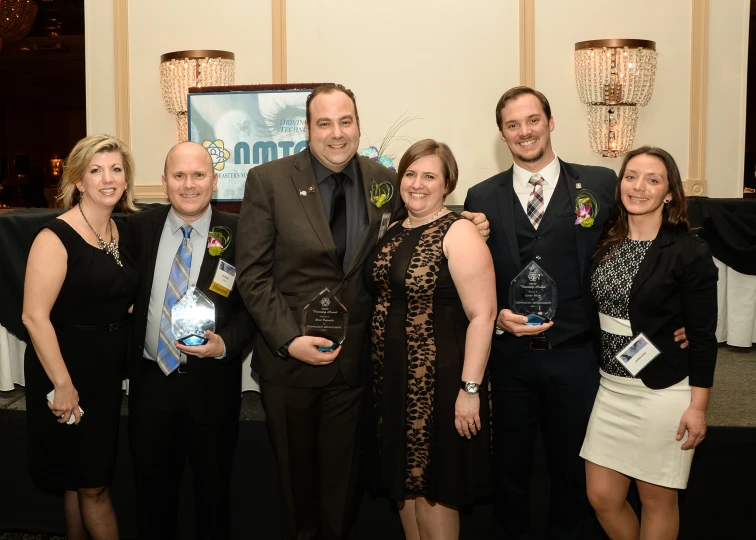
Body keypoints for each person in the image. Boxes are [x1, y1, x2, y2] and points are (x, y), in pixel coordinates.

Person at [236, 83, 488, 539]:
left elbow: (421, 221)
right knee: (297, 491)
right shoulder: (268, 180)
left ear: (358, 124)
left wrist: (467, 221)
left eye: (345, 121)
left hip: (357, 370)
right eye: (325, 123)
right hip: (288, 364)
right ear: (308, 128)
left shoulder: (383, 180)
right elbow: (252, 274)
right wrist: (290, 339)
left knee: (343, 493)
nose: (337, 133)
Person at [464, 86, 617, 539]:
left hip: (576, 355)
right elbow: (472, 281)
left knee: (573, 471)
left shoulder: (600, 183)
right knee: (509, 471)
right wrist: (494, 319)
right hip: (511, 359)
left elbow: (637, 253)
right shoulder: (480, 197)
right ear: (502, 134)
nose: (524, 131)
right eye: (513, 125)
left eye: (532, 120)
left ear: (550, 122)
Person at [580, 146, 717, 540]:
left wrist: (698, 407)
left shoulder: (689, 250)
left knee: (658, 501)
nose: (639, 187)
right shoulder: (607, 241)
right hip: (610, 388)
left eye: (653, 180)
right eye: (631, 176)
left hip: (662, 391)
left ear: (669, 192)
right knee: (602, 496)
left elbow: (704, 336)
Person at [363, 139, 496, 540]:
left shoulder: (459, 232)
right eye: (411, 173)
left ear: (447, 184)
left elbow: (483, 315)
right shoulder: (392, 228)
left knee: (434, 490)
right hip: (393, 382)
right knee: (406, 491)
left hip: (440, 383)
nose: (417, 184)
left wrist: (469, 390)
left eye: (430, 176)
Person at [127, 141, 254, 539]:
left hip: (211, 385)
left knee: (212, 497)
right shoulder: (138, 229)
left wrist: (225, 345)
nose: (188, 184)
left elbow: (253, 308)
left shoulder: (239, 233)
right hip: (151, 382)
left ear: (214, 181)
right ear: (163, 183)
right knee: (151, 496)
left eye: (198, 175)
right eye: (179, 175)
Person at [22, 134, 139, 539]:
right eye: (96, 170)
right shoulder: (54, 237)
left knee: (79, 474)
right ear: (78, 181)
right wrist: (63, 384)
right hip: (67, 368)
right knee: (94, 483)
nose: (107, 178)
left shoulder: (119, 232)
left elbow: (112, 296)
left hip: (103, 370)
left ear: (126, 180)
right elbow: (34, 317)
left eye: (116, 169)